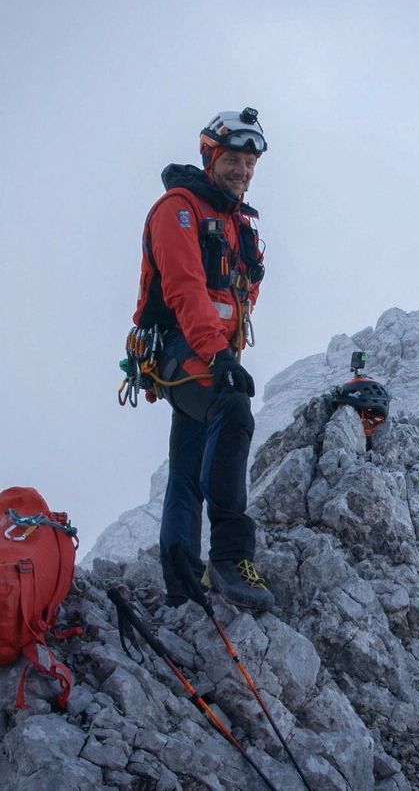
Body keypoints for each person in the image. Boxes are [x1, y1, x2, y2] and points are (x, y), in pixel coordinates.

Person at [131, 107, 275, 612]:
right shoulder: (178, 208)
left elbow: (244, 288)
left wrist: (225, 347)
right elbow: (185, 287)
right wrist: (219, 355)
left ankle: (181, 583)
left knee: (188, 466)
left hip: (210, 353)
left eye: (250, 163)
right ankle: (232, 558)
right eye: (233, 159)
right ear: (211, 156)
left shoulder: (239, 225)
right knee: (232, 408)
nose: (243, 171)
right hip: (178, 350)